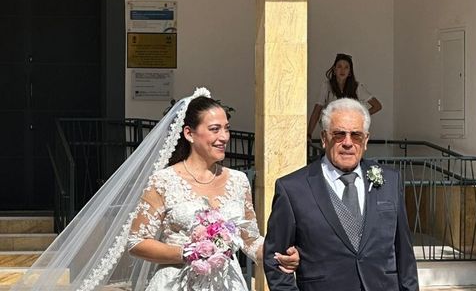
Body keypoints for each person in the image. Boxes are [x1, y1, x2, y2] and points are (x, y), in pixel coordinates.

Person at [11, 87, 298, 291]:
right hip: (175, 282)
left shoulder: (238, 181)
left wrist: (277, 255)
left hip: (228, 283)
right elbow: (136, 242)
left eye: (226, 128)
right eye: (214, 129)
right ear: (189, 133)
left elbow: (250, 239)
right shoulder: (163, 181)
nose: (224, 137)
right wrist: (187, 252)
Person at [264, 98, 419, 291]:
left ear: (366, 140)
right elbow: (276, 261)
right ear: (323, 138)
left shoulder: (390, 181)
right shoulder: (293, 189)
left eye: (356, 135)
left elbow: (404, 254)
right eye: (339, 134)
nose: (348, 142)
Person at [307, 53, 382, 140]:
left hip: (351, 132)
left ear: (350, 72)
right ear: (334, 70)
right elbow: (317, 111)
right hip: (331, 132)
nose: (342, 70)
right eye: (339, 67)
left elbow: (377, 106)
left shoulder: (356, 87)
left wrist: (358, 116)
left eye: (346, 67)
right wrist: (308, 134)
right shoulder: (327, 86)